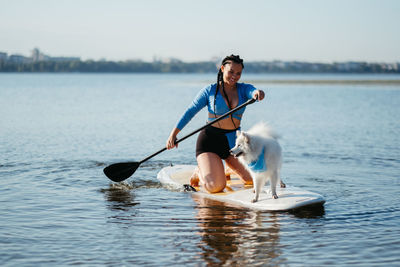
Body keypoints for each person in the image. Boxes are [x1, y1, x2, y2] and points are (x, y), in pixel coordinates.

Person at [166, 55, 265, 193]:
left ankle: (229, 167)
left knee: (252, 178)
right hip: (210, 142)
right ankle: (199, 172)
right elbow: (190, 112)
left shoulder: (243, 89)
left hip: (233, 143)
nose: (234, 76)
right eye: (231, 72)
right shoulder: (210, 91)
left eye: (238, 73)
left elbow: (253, 91)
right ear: (222, 68)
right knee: (216, 186)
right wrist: (174, 134)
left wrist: (257, 93)